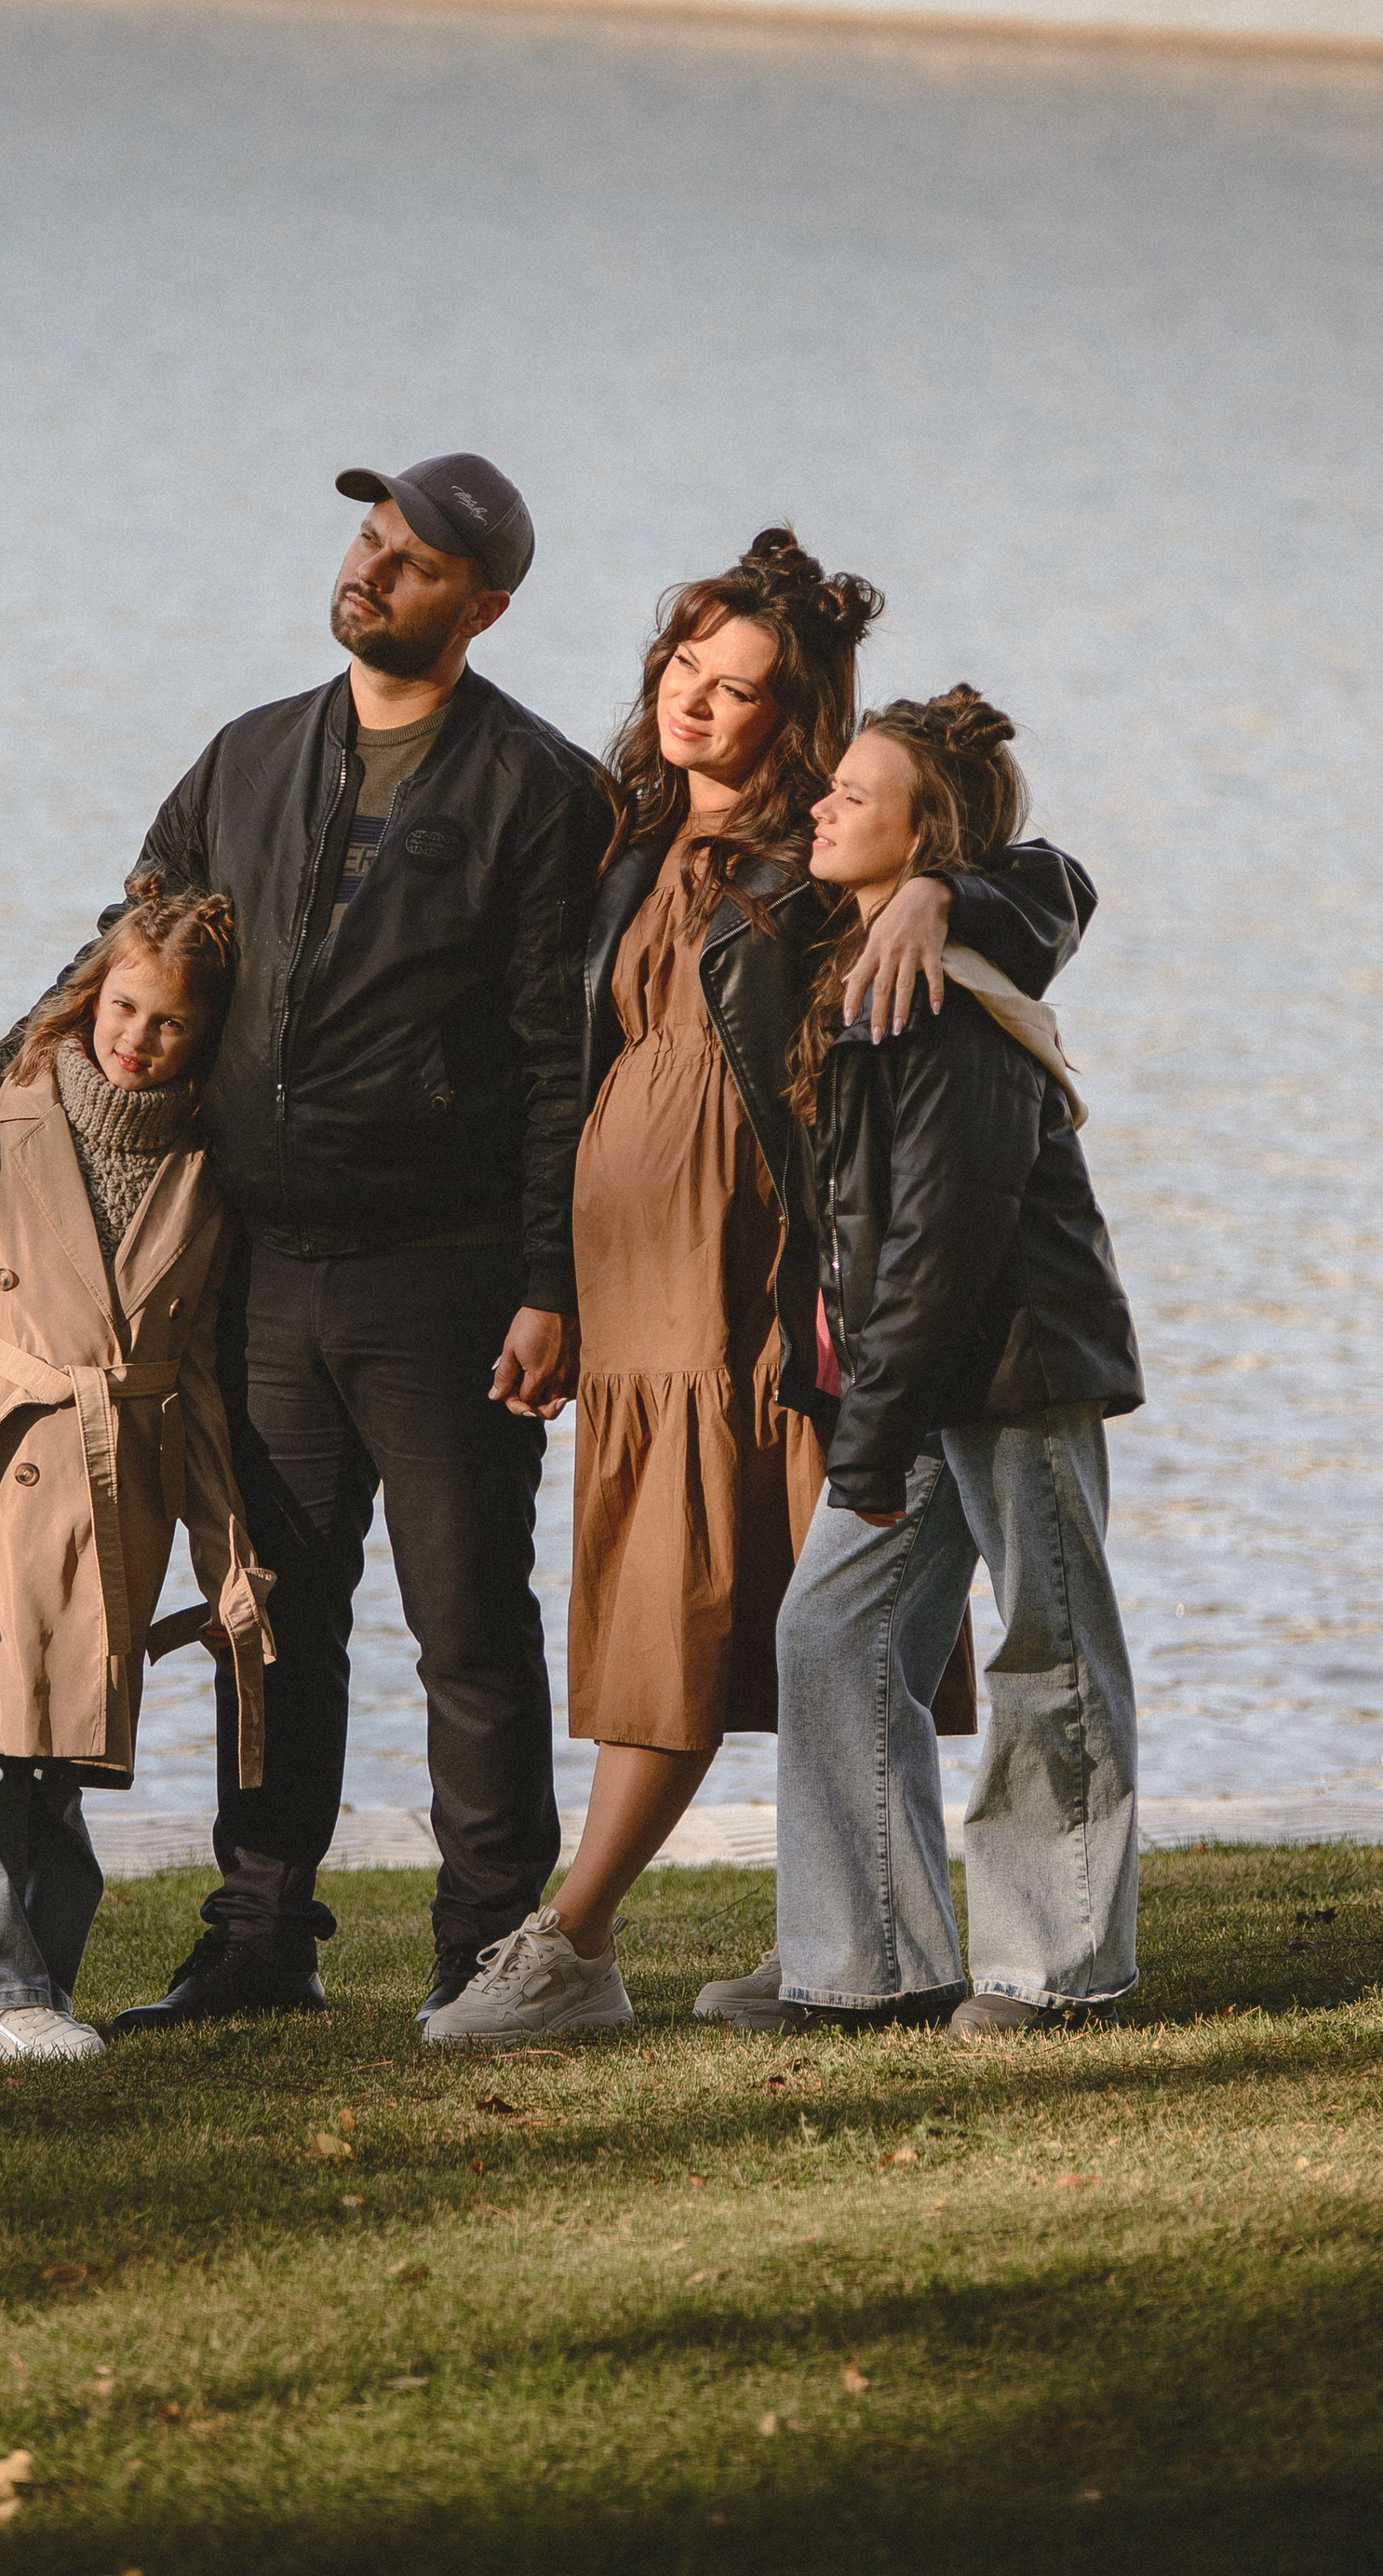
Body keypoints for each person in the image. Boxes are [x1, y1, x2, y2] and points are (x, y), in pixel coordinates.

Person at [0, 455, 611, 2030]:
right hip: (265, 1267)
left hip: (444, 1270)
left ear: (484, 605)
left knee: (469, 1624)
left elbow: (563, 1057)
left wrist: (550, 1283)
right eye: (372, 539)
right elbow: (127, 940)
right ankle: (259, 1937)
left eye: (419, 562)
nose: (377, 570)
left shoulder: (538, 790)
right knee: (268, 1614)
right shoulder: (249, 757)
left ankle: (493, 1946)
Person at [423, 535, 1100, 2051]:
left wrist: (948, 899)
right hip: (634, 1287)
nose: (695, 701)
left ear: (793, 719)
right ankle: (846, 1943)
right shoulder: (618, 835)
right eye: (683, 667)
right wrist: (551, 1284)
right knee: (713, 1607)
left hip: (763, 1275)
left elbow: (1055, 878)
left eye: (736, 689)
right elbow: (563, 1077)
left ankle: (581, 1932)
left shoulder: (837, 840)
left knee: (790, 1596)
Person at [0, 883, 268, 2060]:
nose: (138, 1038)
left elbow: (208, 1366)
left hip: (121, 1478)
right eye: (124, 1007)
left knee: (58, 1760)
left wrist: (227, 1550)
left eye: (171, 1023)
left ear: (206, 1033)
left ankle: (38, 1997)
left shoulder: (211, 1164)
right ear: (88, 998)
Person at [767, 686, 1143, 2038]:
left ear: (929, 843)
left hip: (1010, 1374)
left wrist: (865, 1438)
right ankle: (871, 1961)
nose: (820, 806)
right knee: (827, 1630)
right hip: (913, 1377)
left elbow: (943, 1240)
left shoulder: (942, 988)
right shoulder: (858, 962)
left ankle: (1059, 1968)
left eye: (853, 796)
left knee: (1049, 1652)